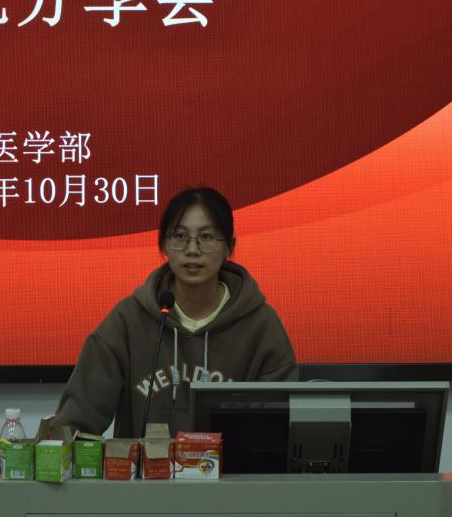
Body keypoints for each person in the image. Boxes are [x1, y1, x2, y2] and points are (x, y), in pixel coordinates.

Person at [54, 187, 298, 437]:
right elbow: (76, 419)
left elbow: (282, 427)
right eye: (180, 236)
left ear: (229, 247)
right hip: (146, 464)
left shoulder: (261, 325)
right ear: (164, 246)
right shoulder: (128, 320)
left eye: (206, 237)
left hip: (234, 464)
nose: (192, 249)